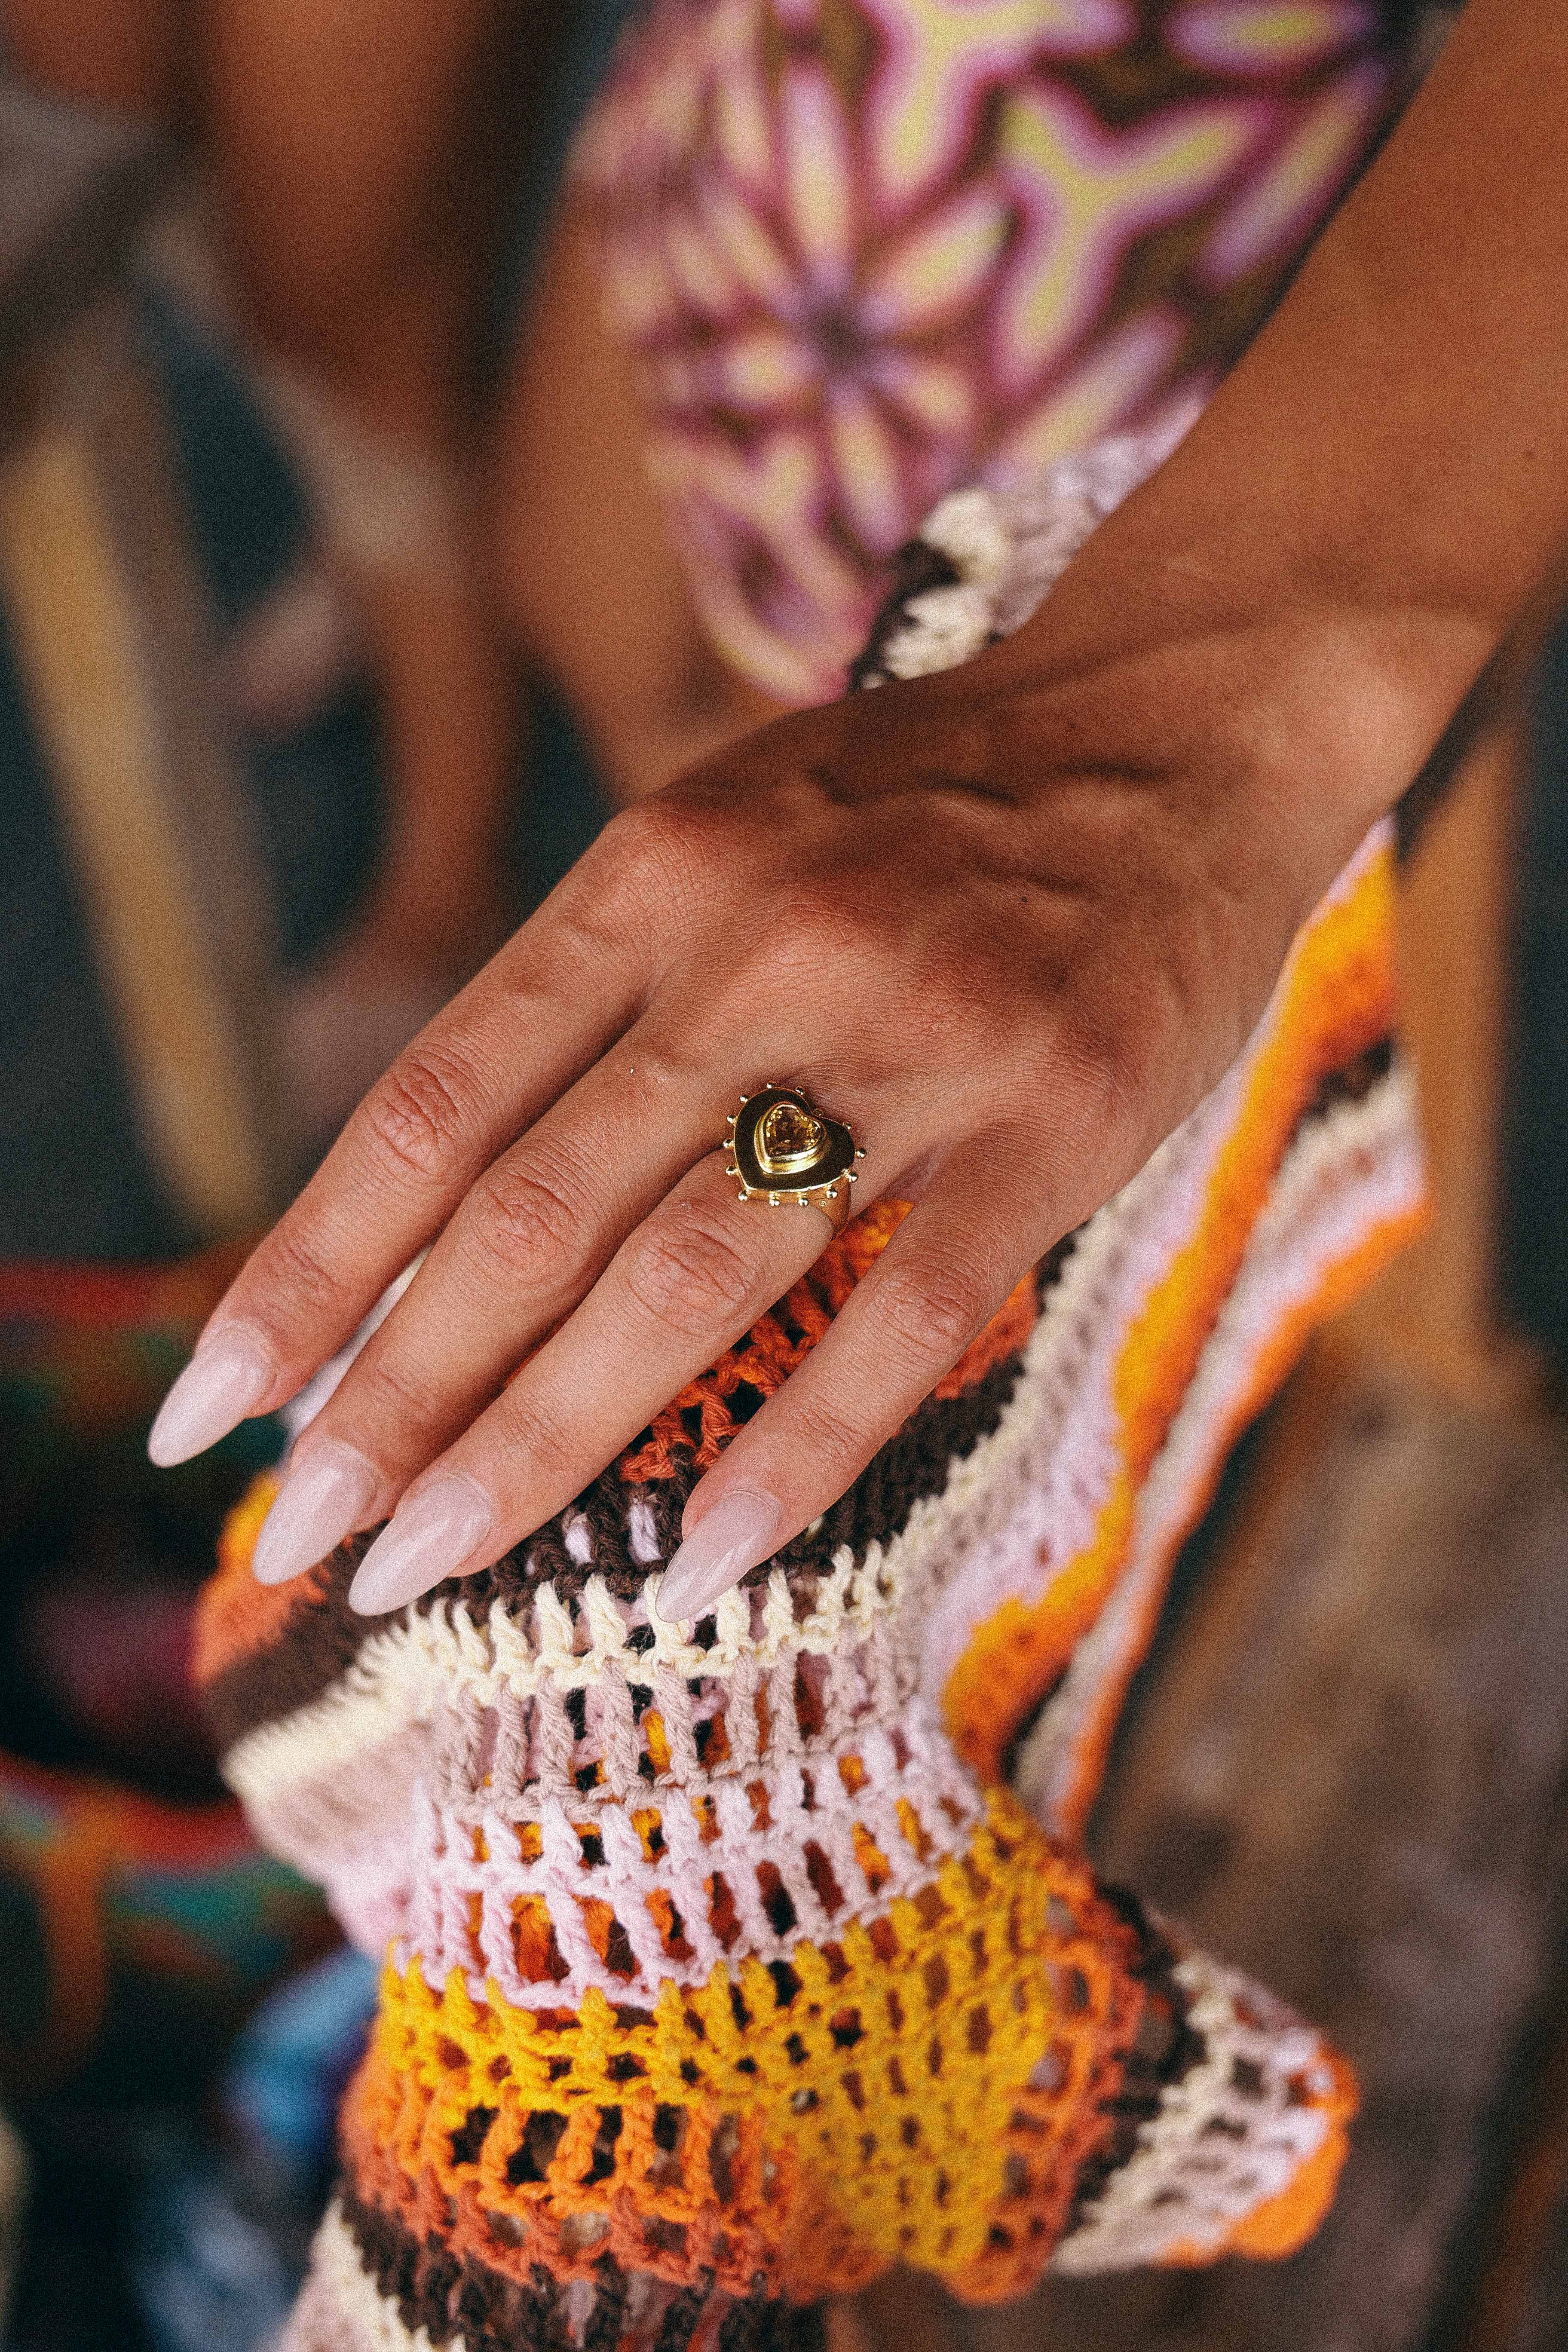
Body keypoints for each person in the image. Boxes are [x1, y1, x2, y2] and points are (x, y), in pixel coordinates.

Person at [139, 0, 1568, 2340]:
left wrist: (1240, 665)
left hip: (1098, 150)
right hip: (755, 94)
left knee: (869, 1027)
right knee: (633, 650)